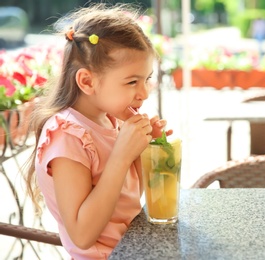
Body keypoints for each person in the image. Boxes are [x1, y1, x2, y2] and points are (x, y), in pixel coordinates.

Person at [24, 3, 172, 259]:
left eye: (147, 79)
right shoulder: (66, 136)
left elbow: (128, 201)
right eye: (132, 81)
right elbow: (82, 236)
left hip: (134, 249)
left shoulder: (110, 120)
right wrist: (122, 156)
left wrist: (147, 149)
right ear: (87, 81)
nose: (144, 93)